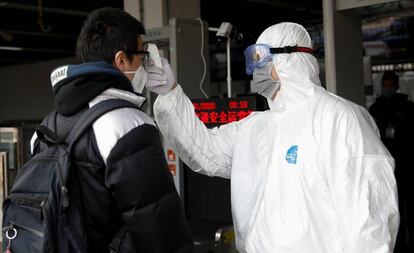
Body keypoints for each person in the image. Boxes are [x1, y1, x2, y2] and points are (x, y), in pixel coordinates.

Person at [145, 22, 399, 252]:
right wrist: (171, 95)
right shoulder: (255, 127)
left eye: (260, 59)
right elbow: (204, 150)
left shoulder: (339, 118)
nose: (256, 70)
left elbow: (367, 218)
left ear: (288, 61)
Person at [30, 7, 192, 253]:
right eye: (142, 57)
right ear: (121, 60)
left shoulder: (45, 128)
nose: (145, 66)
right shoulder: (128, 124)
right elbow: (159, 227)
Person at [369, 71, 414, 253]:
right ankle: (397, 244)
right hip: (385, 165)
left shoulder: (408, 108)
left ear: (396, 86)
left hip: (406, 163)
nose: (387, 88)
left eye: (390, 84)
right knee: (390, 206)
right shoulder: (375, 109)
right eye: (384, 84)